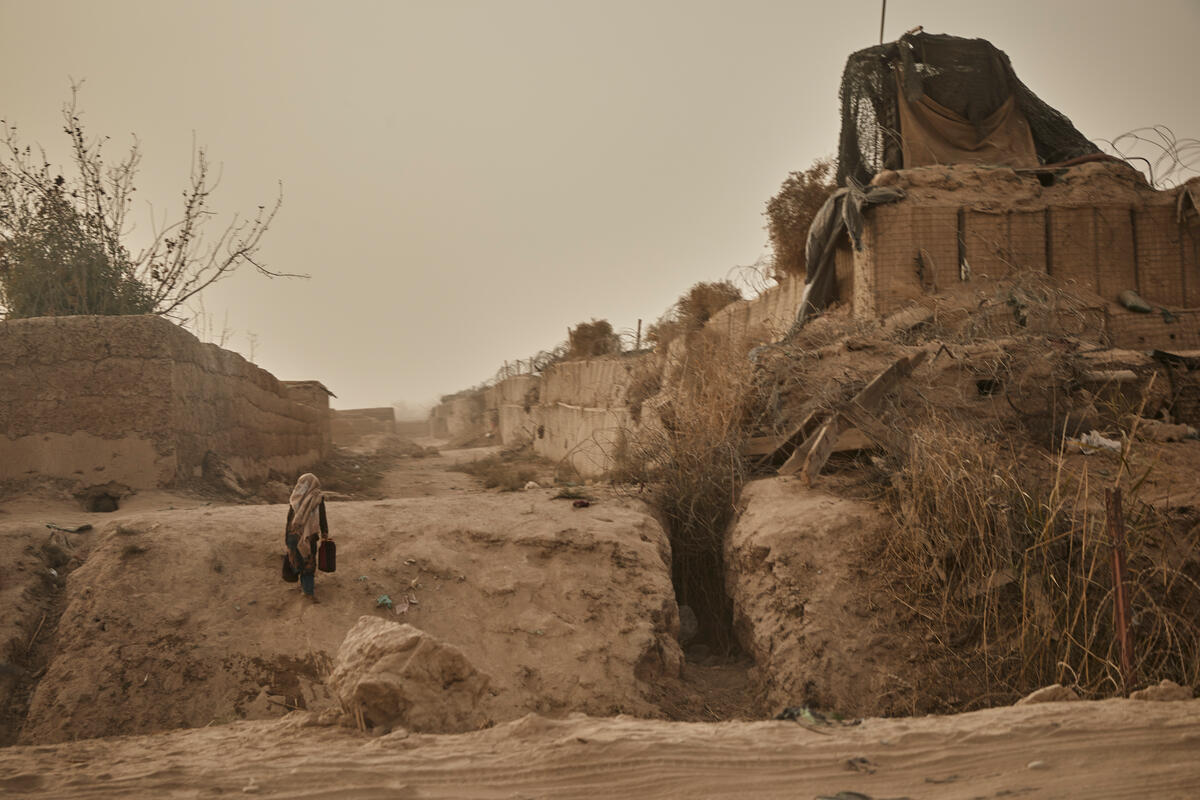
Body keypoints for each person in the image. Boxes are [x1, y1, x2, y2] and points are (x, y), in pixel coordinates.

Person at [285, 472, 329, 602]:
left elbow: (289, 520)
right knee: (308, 562)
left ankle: (305, 588)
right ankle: (307, 591)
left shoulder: (294, 499)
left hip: (294, 535)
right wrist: (325, 532)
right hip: (309, 537)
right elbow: (322, 517)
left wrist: (286, 538)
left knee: (299, 561)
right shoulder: (317, 498)